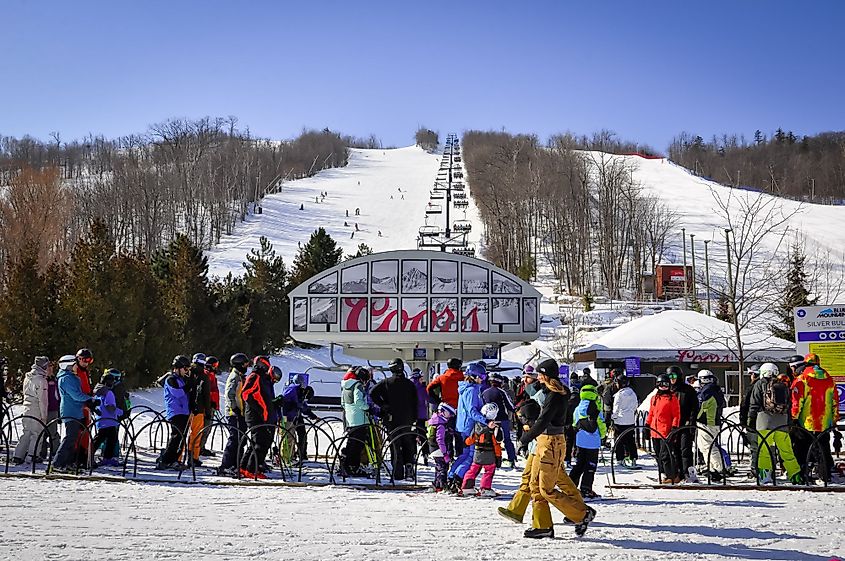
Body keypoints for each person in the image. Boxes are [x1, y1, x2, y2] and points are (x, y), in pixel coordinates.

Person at [519, 358, 594, 538]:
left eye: (539, 374)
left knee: (546, 489)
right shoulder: (558, 391)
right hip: (547, 441)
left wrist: (525, 438)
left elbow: (543, 420)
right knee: (534, 485)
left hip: (551, 443)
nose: (537, 377)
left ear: (545, 375)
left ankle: (582, 514)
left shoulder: (555, 395)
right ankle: (542, 526)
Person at [749, 363, 802, 484]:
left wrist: (751, 422)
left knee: (765, 450)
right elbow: (789, 405)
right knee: (786, 450)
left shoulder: (759, 384)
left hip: (764, 421)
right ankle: (795, 474)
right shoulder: (783, 385)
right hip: (782, 422)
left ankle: (765, 475)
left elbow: (754, 404)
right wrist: (788, 423)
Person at [792, 353, 839, 483]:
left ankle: (805, 471)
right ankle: (825, 474)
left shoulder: (803, 379)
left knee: (803, 448)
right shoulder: (829, 379)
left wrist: (794, 417)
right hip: (824, 422)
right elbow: (835, 401)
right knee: (822, 448)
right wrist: (834, 418)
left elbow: (797, 401)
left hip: (806, 421)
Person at [370, 358, 418, 481]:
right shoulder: (410, 384)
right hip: (407, 419)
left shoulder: (386, 382)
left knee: (395, 445)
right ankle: (409, 468)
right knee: (408, 443)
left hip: (391, 418)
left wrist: (383, 405)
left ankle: (397, 472)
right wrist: (414, 418)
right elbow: (415, 402)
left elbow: (372, 393)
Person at [447, 362, 490, 492]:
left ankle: (451, 477)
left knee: (464, 454)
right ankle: (457, 479)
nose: (482, 379)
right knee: (470, 456)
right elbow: (472, 411)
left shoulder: (469, 388)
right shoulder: (471, 390)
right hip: (468, 427)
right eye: (481, 376)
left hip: (464, 426)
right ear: (474, 376)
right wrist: (486, 420)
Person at [52, 355, 96, 473]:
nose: (77, 366)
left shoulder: (71, 377)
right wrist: (89, 399)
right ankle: (57, 463)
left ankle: (68, 462)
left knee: (74, 438)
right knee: (70, 438)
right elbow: (76, 395)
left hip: (76, 411)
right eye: (75, 364)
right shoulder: (66, 378)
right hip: (70, 411)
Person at [240, 356, 278, 479]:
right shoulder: (255, 376)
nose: (267, 366)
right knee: (261, 443)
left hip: (260, 415)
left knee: (256, 443)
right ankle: (252, 470)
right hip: (255, 416)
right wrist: (260, 410)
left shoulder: (263, 378)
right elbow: (246, 393)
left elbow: (265, 398)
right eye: (266, 364)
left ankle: (244, 467)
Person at [569, 378, 606, 498]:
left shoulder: (579, 407)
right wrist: (603, 435)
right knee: (590, 466)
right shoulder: (595, 407)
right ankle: (586, 489)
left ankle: (570, 487)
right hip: (593, 442)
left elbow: (574, 423)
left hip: (581, 441)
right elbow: (600, 422)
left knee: (579, 464)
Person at [156, 355, 191, 470]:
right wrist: (188, 387)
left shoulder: (181, 379)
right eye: (185, 369)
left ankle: (174, 459)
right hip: (176, 411)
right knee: (176, 436)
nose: (186, 372)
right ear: (178, 367)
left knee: (181, 437)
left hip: (184, 411)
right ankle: (165, 460)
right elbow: (177, 393)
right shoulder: (171, 379)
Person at [459, 402, 502, 497]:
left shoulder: (477, 425)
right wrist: (498, 457)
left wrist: (465, 443)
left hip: (477, 453)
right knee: (489, 471)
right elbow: (496, 444)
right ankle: (485, 488)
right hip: (489, 454)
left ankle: (467, 487)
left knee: (473, 470)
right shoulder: (494, 429)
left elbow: (472, 438)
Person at [13, 356, 50, 465]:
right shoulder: (41, 380)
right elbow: (42, 400)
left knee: (26, 432)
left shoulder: (28, 377)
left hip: (26, 407)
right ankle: (32, 455)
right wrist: (44, 415)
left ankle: (18, 455)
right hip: (36, 408)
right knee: (37, 433)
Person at [218, 353, 250, 477]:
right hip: (233, 414)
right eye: (244, 364)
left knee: (241, 441)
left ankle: (236, 464)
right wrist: (235, 408)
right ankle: (226, 466)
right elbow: (229, 394)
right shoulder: (234, 377)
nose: (246, 366)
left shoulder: (241, 376)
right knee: (234, 440)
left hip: (241, 413)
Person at [647, 374, 681, 483]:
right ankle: (663, 474)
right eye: (661, 385)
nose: (664, 387)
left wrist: (674, 427)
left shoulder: (672, 398)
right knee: (658, 455)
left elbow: (676, 414)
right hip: (655, 430)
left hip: (665, 430)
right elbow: (651, 413)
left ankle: (672, 475)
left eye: (666, 385)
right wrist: (647, 425)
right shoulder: (654, 398)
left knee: (665, 455)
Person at [278, 373, 318, 464]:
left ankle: (290, 457)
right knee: (287, 437)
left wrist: (312, 415)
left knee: (291, 437)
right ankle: (285, 459)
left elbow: (303, 406)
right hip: (286, 417)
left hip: (291, 417)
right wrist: (283, 415)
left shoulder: (299, 392)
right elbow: (283, 401)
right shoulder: (292, 389)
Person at [668, 365, 699, 481]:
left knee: (685, 449)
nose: (672, 378)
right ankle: (678, 472)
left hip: (685, 424)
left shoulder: (688, 390)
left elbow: (694, 408)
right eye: (669, 376)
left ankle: (687, 472)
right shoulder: (668, 391)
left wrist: (691, 422)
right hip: (673, 425)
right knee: (674, 449)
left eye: (674, 376)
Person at [340, 366, 371, 477]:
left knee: (351, 443)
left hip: (350, 418)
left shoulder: (345, 385)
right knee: (358, 444)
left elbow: (343, 403)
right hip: (359, 419)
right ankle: (354, 467)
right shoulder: (357, 385)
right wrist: (367, 407)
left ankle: (346, 464)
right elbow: (359, 401)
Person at [695, 370, 726, 481]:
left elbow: (701, 407)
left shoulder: (706, 391)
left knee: (708, 447)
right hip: (713, 421)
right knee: (706, 446)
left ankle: (717, 469)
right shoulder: (715, 389)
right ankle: (713, 467)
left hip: (707, 422)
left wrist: (695, 417)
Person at [482, 372, 516, 468]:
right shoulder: (501, 392)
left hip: (489, 420)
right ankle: (511, 458)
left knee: (490, 440)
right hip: (502, 419)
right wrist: (515, 410)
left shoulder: (485, 392)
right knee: (506, 439)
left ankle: (491, 458)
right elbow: (510, 405)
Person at [91, 372, 123, 467]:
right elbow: (110, 407)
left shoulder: (98, 391)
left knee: (101, 438)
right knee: (110, 440)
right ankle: (106, 458)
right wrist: (120, 412)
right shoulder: (108, 392)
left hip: (101, 419)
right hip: (110, 420)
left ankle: (90, 454)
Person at [611, 372, 639, 469]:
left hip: (620, 420)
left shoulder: (619, 395)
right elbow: (636, 405)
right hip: (630, 420)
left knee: (619, 440)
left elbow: (616, 407)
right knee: (630, 440)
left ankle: (620, 458)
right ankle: (633, 457)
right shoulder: (633, 393)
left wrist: (613, 417)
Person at [427, 402, 455, 491]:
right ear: (442, 412)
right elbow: (440, 439)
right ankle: (441, 486)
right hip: (439, 449)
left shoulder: (435, 420)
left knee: (439, 467)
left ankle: (436, 484)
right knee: (443, 468)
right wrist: (445, 453)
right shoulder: (441, 424)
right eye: (448, 413)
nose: (449, 416)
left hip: (433, 448)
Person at [739, 364, 761, 477]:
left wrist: (742, 420)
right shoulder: (767, 385)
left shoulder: (751, 388)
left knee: (754, 447)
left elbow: (744, 405)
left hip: (753, 421)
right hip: (766, 421)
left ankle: (754, 469)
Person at [74, 348, 95, 468]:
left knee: (85, 433)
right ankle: (77, 457)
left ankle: (84, 457)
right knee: (78, 434)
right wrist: (86, 400)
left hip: (86, 405)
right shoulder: (75, 372)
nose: (86, 362)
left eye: (89, 360)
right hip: (79, 406)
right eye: (84, 360)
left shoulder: (85, 371)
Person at [200, 356, 221, 457]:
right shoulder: (206, 375)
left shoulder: (211, 375)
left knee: (208, 427)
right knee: (205, 427)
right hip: (206, 406)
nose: (216, 367)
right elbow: (207, 391)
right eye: (215, 365)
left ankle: (202, 447)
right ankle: (199, 447)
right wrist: (210, 402)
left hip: (211, 405)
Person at [410, 369, 430, 462]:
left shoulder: (409, 386)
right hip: (421, 414)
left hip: (411, 414)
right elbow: (427, 398)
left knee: (412, 434)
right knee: (422, 434)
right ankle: (425, 452)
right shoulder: (422, 388)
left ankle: (413, 453)